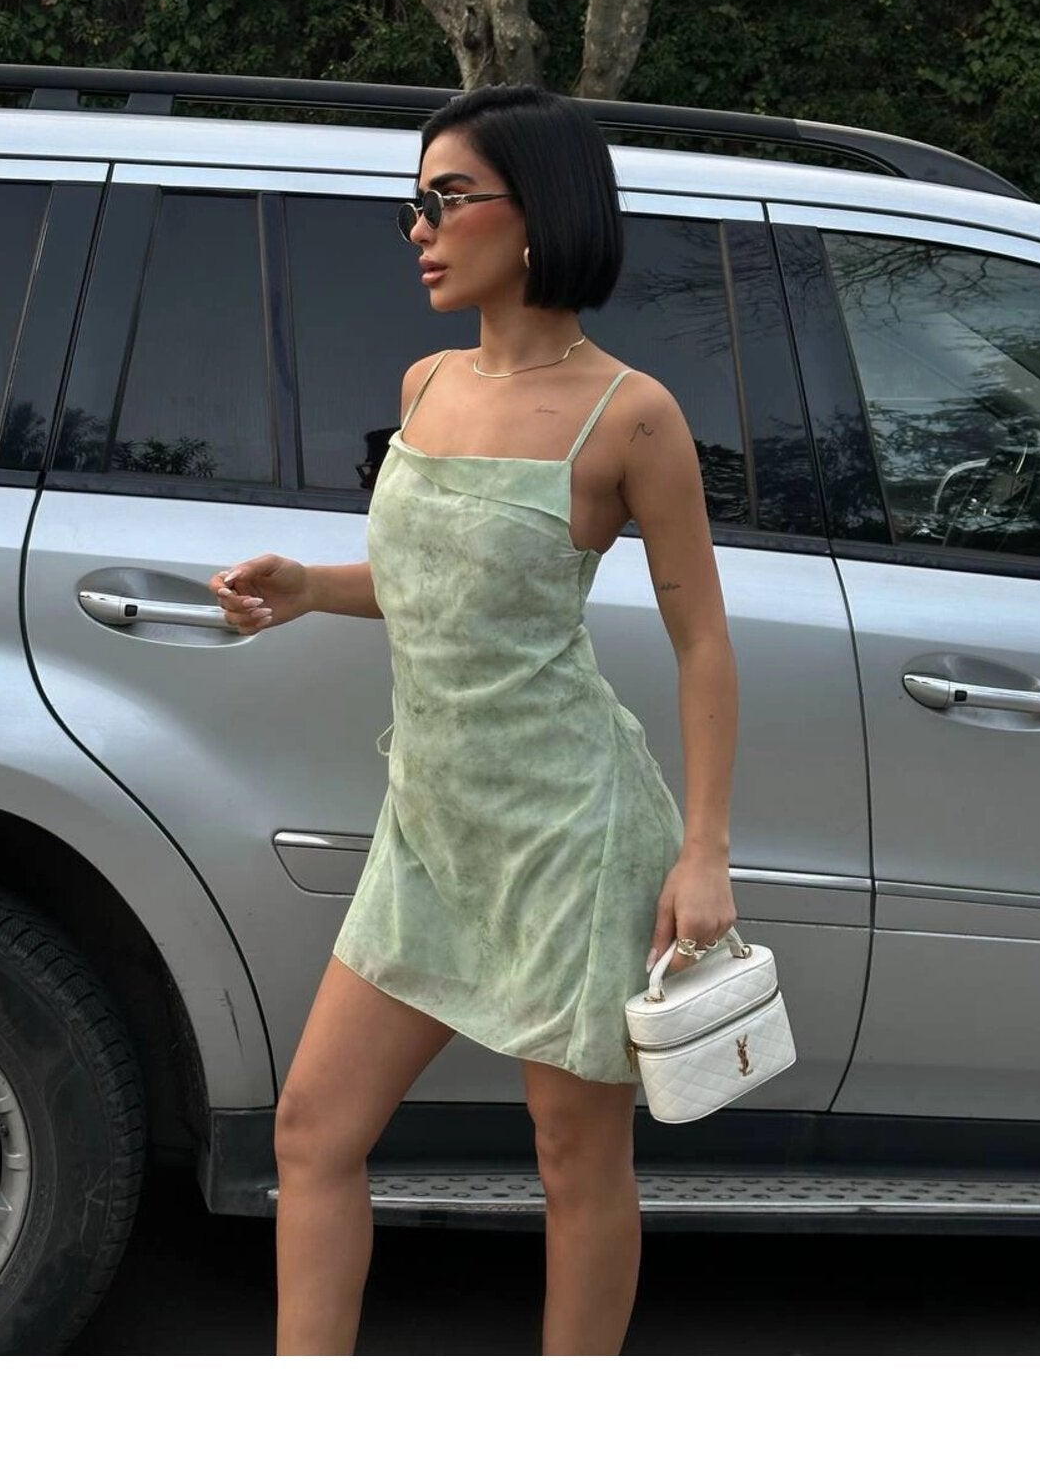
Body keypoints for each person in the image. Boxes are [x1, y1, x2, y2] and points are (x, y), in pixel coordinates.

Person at [209, 83, 739, 1356]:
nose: (420, 228)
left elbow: (704, 643)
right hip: (431, 832)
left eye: (448, 199)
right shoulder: (427, 382)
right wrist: (309, 590)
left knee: (573, 1158)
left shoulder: (631, 414)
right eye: (415, 203)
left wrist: (704, 852)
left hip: (570, 837)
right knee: (313, 1131)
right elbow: (435, 583)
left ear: (539, 209)